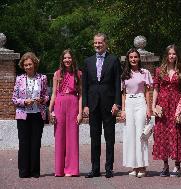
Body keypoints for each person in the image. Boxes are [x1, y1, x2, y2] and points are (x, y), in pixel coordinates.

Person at [83, 33, 121, 178]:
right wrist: (85, 104)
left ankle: (109, 168)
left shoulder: (113, 60)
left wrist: (117, 103)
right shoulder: (88, 61)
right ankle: (95, 168)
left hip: (109, 104)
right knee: (95, 137)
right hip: (93, 105)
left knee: (109, 137)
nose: (97, 45)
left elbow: (118, 83)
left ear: (105, 43)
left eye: (100, 43)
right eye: (95, 43)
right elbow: (85, 85)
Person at [12, 52, 49, 178]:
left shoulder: (42, 78)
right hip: (23, 115)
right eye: (25, 65)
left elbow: (46, 95)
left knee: (35, 143)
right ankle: (23, 171)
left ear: (35, 64)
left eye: (30, 64)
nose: (28, 67)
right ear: (23, 66)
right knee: (23, 142)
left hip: (38, 114)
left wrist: (42, 100)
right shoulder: (19, 79)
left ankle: (34, 171)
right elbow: (14, 99)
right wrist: (24, 102)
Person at [152, 44, 181, 177]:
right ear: (166, 55)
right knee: (162, 135)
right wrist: (153, 106)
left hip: (177, 105)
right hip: (163, 106)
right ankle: (165, 165)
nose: (171, 56)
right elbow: (156, 89)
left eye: (174, 54)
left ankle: (177, 166)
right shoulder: (159, 70)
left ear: (177, 55)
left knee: (177, 133)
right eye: (169, 54)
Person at [49, 49, 82, 177]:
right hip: (60, 104)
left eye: (69, 58)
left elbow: (81, 95)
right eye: (65, 58)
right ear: (62, 60)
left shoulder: (78, 74)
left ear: (73, 59)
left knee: (73, 137)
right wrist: (50, 109)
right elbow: (53, 94)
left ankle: (72, 169)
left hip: (73, 103)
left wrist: (80, 113)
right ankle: (59, 169)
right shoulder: (57, 74)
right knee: (59, 137)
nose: (67, 60)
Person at [120, 48, 153, 178]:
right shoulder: (124, 74)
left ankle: (142, 166)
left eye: (135, 57)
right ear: (128, 59)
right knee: (130, 135)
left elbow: (147, 92)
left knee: (141, 134)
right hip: (128, 103)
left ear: (139, 58)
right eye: (131, 57)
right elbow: (123, 94)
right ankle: (134, 166)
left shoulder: (145, 72)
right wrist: (123, 109)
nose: (133, 59)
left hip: (140, 102)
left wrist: (149, 108)